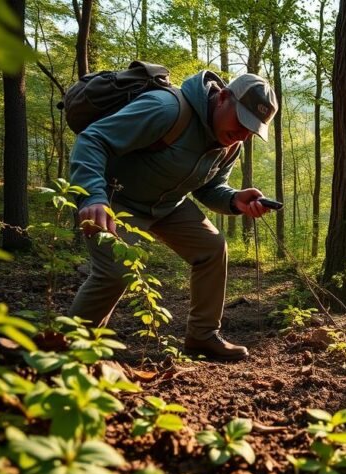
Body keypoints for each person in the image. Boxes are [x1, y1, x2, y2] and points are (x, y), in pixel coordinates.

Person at [67, 70, 278, 361]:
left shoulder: (231, 146)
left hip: (168, 205)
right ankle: (69, 350)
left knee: (213, 247)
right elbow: (93, 140)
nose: (242, 134)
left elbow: (210, 189)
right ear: (223, 97)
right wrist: (92, 195)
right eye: (241, 121)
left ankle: (202, 337)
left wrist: (234, 200)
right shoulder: (166, 109)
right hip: (116, 199)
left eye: (252, 130)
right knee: (116, 271)